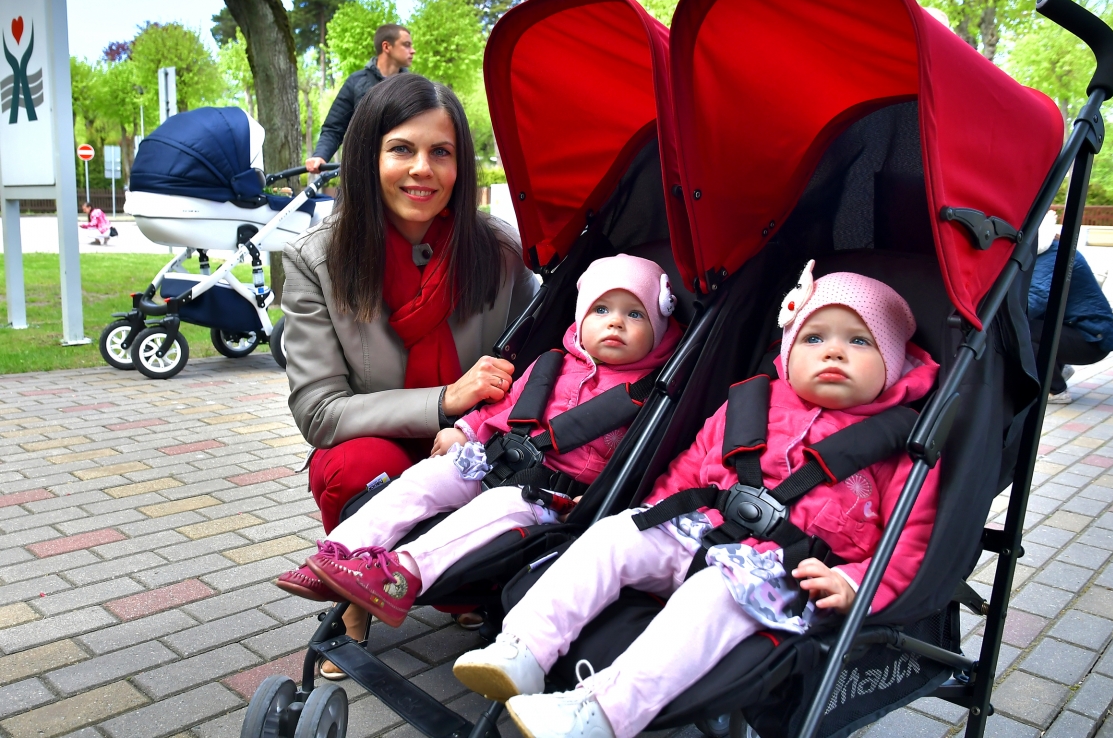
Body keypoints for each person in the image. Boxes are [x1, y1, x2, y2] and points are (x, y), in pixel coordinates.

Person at [448, 265, 942, 738]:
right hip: (700, 529)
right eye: (814, 339)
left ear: (893, 362)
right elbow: (689, 468)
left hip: (781, 574)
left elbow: (910, 542)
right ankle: (525, 648)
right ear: (789, 352)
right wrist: (654, 512)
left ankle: (601, 712)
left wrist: (855, 583)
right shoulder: (751, 403)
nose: (834, 352)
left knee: (713, 592)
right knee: (615, 535)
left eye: (859, 341)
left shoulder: (902, 446)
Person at [281, 72, 538, 673]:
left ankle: (454, 584)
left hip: (477, 441)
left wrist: (472, 424)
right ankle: (354, 591)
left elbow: (535, 363)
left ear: (460, 165)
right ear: (368, 158)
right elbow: (319, 411)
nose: (423, 169)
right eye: (401, 149)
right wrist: (443, 401)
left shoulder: (500, 252)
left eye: (441, 152)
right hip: (382, 442)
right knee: (353, 466)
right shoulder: (317, 259)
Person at [278, 254, 683, 629]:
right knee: (430, 476)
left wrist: (602, 498)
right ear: (580, 319)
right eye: (601, 310)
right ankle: (339, 553)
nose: (615, 323)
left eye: (635, 314)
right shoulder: (552, 364)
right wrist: (465, 429)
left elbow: (645, 460)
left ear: (659, 328)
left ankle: (400, 573)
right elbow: (505, 405)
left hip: (552, 497)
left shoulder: (649, 394)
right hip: (494, 460)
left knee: (497, 506)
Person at [1028, 211, 1113, 404]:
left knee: (1019, 330)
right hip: (1082, 331)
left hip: (1091, 338)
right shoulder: (1052, 249)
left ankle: (1056, 390)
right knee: (1026, 324)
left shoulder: (1051, 255)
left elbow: (1034, 301)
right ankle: (1058, 369)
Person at [305, 24, 416, 173]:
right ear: (386, 46)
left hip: (403, 170)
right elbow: (334, 127)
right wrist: (320, 155)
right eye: (406, 45)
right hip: (363, 172)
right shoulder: (356, 82)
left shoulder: (413, 86)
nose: (412, 50)